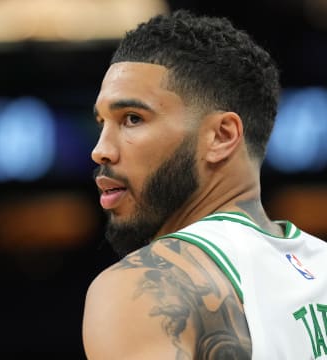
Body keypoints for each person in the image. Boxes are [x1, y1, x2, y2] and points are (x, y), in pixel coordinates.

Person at [82, 9, 327, 359]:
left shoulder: (147, 286)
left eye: (132, 119)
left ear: (221, 136)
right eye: (102, 122)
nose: (100, 150)